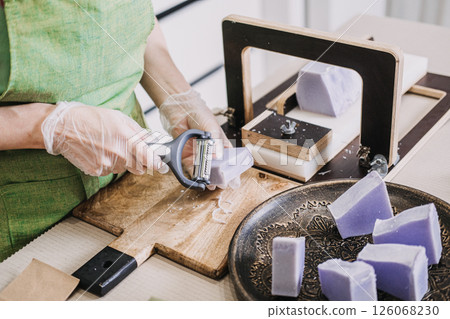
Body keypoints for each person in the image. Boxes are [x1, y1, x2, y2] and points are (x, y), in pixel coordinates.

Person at [0, 1, 232, 261]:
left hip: (131, 180)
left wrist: (178, 99)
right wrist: (51, 127)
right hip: (26, 219)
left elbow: (133, 21)